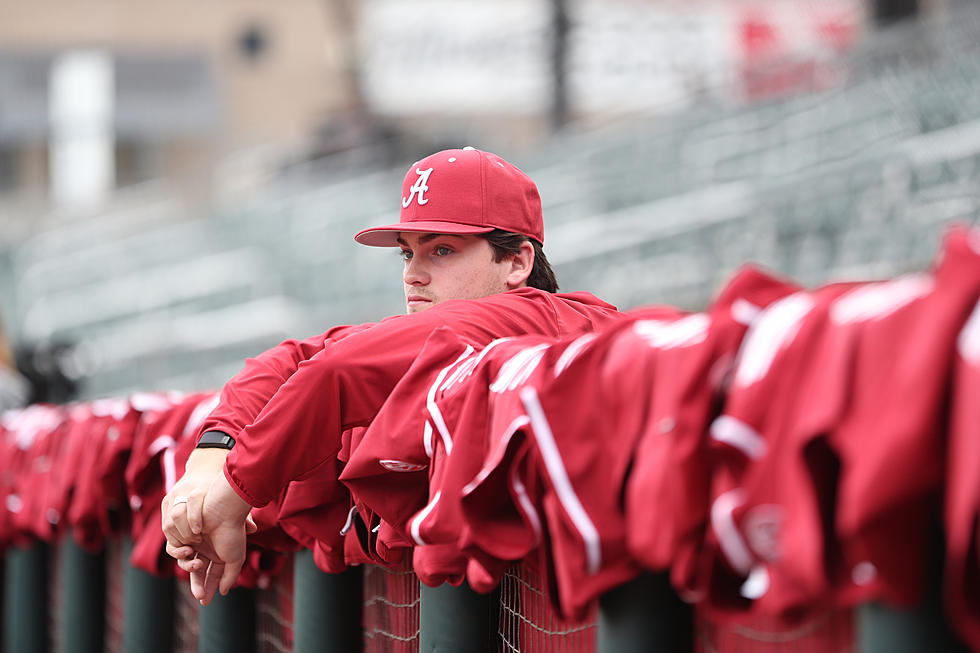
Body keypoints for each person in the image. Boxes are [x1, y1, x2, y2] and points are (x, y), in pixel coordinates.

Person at [161, 146, 622, 604]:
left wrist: (235, 491)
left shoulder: (547, 318)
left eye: (441, 250)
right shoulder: (460, 327)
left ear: (518, 262)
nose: (413, 275)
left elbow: (334, 370)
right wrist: (210, 458)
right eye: (406, 254)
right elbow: (292, 357)